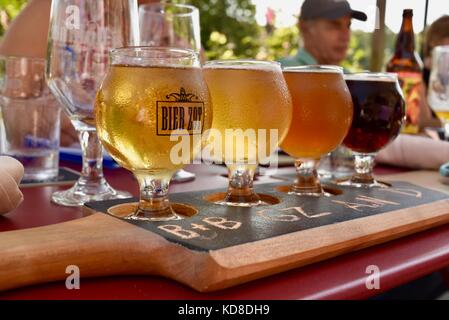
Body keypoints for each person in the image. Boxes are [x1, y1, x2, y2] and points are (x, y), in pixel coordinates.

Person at [0, 0, 158, 147]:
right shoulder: (54, 7)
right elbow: (14, 113)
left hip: (125, 168)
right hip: (60, 166)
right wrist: (47, 119)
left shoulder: (158, 18)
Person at [279, 0, 367, 67]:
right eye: (335, 25)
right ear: (304, 27)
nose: (345, 36)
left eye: (348, 25)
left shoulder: (347, 77)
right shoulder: (284, 73)